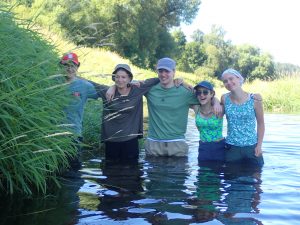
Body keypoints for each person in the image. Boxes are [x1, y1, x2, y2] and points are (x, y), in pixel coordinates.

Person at [145, 57, 222, 157]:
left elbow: (206, 98)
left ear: (174, 72)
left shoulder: (185, 92)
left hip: (177, 145)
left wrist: (216, 102)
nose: (163, 74)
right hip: (153, 144)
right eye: (160, 71)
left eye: (167, 71)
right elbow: (129, 84)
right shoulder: (149, 90)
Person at [94, 64, 160, 162]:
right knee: (111, 173)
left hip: (131, 141)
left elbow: (157, 80)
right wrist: (113, 87)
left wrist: (180, 81)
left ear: (129, 78)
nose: (120, 80)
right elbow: (88, 83)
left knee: (132, 173)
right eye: (117, 77)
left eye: (124, 77)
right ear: (114, 78)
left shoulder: (138, 89)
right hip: (111, 141)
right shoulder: (106, 91)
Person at [60, 52, 99, 171]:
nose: (69, 68)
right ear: (61, 66)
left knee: (73, 171)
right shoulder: (53, 83)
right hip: (54, 135)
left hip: (74, 135)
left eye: (73, 65)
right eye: (66, 65)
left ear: (77, 67)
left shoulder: (85, 86)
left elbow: (104, 92)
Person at [220, 68, 264, 167]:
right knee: (231, 178)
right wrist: (214, 102)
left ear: (239, 78)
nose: (229, 82)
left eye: (231, 79)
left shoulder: (255, 99)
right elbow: (214, 105)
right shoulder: (224, 98)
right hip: (232, 148)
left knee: (256, 178)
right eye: (225, 81)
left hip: (252, 147)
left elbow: (261, 123)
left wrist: (259, 145)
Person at [191, 81, 225, 162]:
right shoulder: (196, 108)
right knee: (202, 173)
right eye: (199, 93)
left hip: (219, 148)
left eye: (205, 92)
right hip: (203, 148)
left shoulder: (220, 109)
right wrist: (180, 81)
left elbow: (233, 100)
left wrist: (216, 101)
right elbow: (185, 93)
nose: (202, 95)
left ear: (212, 94)